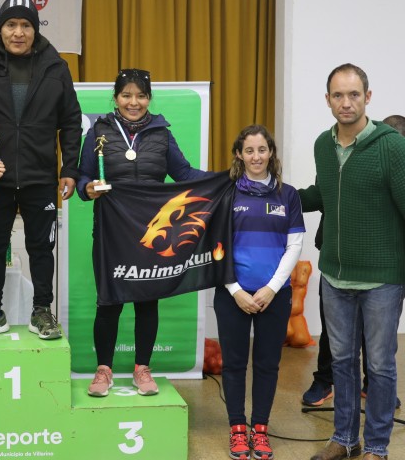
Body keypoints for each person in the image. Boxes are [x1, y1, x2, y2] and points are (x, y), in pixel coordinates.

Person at [0, 0, 82, 340]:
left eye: (26, 25)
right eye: (11, 25)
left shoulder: (56, 68)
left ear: (35, 29)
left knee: (41, 248)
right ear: (0, 28)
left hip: (40, 176)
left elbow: (71, 122)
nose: (18, 32)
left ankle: (42, 312)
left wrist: (70, 169)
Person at [75, 68, 206, 397]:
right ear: (116, 98)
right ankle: (103, 370)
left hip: (152, 231)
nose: (134, 102)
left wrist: (225, 179)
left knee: (148, 300)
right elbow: (82, 177)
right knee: (109, 301)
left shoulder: (161, 134)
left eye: (141, 96)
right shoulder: (100, 131)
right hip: (111, 231)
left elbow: (184, 173)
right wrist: (87, 188)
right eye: (126, 95)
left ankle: (142, 368)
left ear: (149, 98)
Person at [301, 64, 405, 460]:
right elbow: (325, 194)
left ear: (368, 97)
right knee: (341, 362)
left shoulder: (391, 147)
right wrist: (275, 194)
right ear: (328, 100)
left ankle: (376, 447)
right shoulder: (322, 145)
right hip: (335, 276)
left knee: (379, 367)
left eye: (354, 95)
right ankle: (344, 440)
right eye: (338, 95)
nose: (346, 103)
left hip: (382, 280)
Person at [215, 124, 304, 460]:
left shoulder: (288, 195)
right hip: (233, 295)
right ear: (239, 154)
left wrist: (271, 288)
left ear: (271, 153)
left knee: (268, 364)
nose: (256, 157)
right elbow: (216, 247)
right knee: (234, 364)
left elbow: (294, 246)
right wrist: (236, 289)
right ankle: (238, 429)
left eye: (262, 150)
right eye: (249, 150)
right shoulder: (226, 193)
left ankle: (261, 430)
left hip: (274, 296)